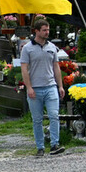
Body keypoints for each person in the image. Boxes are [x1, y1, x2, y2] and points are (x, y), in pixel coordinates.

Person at [21, 17, 65, 156]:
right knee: (37, 119)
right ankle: (40, 147)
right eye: (44, 30)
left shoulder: (52, 47)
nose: (47, 32)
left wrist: (60, 86)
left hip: (50, 86)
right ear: (36, 31)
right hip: (35, 87)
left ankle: (54, 144)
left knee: (54, 115)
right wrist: (29, 87)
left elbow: (56, 67)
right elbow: (24, 69)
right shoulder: (27, 48)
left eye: (48, 30)